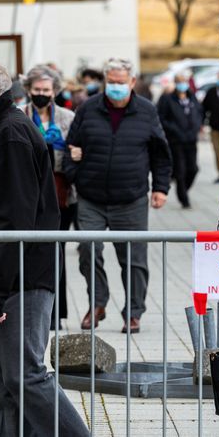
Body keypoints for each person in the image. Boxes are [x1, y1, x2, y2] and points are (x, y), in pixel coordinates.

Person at [0, 57, 88, 436]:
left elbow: (14, 222)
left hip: (20, 278)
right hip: (3, 275)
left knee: (24, 376)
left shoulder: (9, 135)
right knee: (6, 380)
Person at [63, 57, 172, 333]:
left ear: (132, 82)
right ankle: (98, 302)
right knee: (88, 251)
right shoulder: (88, 109)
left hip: (131, 199)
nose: (115, 87)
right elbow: (70, 148)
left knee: (134, 259)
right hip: (91, 198)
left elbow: (161, 154)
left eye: (120, 83)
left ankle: (133, 312)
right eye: (110, 82)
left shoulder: (146, 111)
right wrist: (75, 172)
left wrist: (160, 188)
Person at [22, 65, 77, 330]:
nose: (41, 94)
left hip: (60, 194)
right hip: (29, 194)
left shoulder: (67, 118)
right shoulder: (20, 115)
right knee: (33, 252)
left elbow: (78, 150)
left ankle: (57, 312)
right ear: (28, 90)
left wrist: (70, 153)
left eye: (46, 90)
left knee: (57, 251)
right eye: (37, 90)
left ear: (55, 91)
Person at [157, 70, 203, 209]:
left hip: (191, 139)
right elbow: (162, 118)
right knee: (180, 170)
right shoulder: (167, 99)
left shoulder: (192, 97)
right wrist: (175, 130)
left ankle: (183, 190)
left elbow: (199, 113)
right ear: (175, 83)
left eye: (184, 81)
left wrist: (196, 127)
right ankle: (184, 198)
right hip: (176, 141)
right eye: (179, 81)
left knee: (193, 169)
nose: (182, 84)